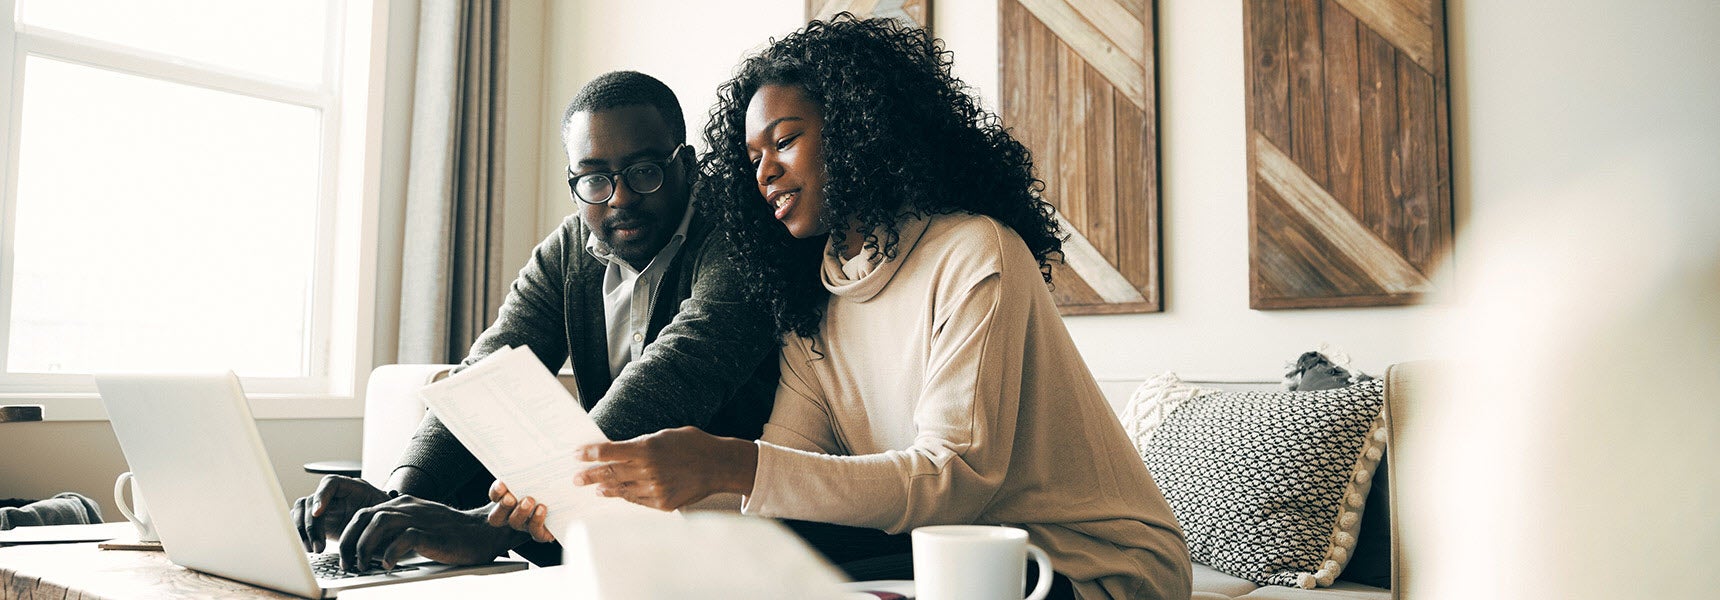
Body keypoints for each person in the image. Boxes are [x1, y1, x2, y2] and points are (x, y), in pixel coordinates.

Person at [492, 16, 1193, 600]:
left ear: (860, 130)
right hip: (954, 565)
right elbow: (786, 476)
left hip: (1091, 566)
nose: (763, 171)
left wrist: (721, 463)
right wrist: (621, 495)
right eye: (751, 155)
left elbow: (951, 480)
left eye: (786, 140)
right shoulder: (816, 292)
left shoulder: (976, 253)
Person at [289, 71, 780, 571]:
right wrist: (394, 501)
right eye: (594, 179)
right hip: (602, 530)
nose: (620, 198)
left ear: (687, 166)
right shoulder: (567, 252)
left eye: (645, 171)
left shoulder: (742, 233)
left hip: (735, 541)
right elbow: (483, 376)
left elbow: (675, 376)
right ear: (573, 184)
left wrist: (488, 526)